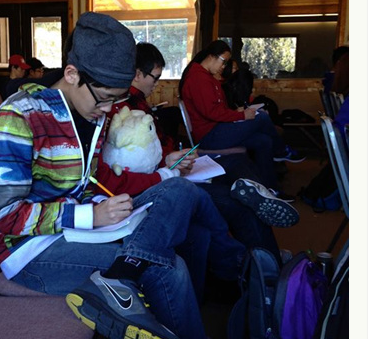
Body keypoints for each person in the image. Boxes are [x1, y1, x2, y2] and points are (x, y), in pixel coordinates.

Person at [0, 12, 241, 339]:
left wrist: (136, 187)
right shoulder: (19, 115)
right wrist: (88, 217)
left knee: (179, 192)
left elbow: (88, 182)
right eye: (106, 99)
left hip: (82, 231)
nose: (110, 110)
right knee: (172, 269)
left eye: (118, 100)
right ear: (72, 74)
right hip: (27, 249)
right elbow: (3, 216)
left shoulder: (92, 112)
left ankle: (126, 273)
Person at [96, 42, 296, 264]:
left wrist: (169, 159)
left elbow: (147, 152)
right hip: (169, 170)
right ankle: (260, 261)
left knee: (243, 161)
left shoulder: (133, 103)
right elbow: (120, 172)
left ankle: (265, 242)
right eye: (155, 78)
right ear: (136, 74)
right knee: (236, 194)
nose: (157, 83)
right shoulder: (119, 110)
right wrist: (165, 169)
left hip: (166, 168)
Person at [179, 40, 305, 191]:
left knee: (263, 141)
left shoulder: (206, 77)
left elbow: (217, 109)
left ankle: (270, 188)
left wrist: (237, 113)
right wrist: (241, 116)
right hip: (210, 136)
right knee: (261, 117)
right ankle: (281, 151)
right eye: (223, 61)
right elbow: (211, 112)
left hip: (217, 130)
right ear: (212, 56)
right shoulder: (198, 78)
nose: (223, 67)